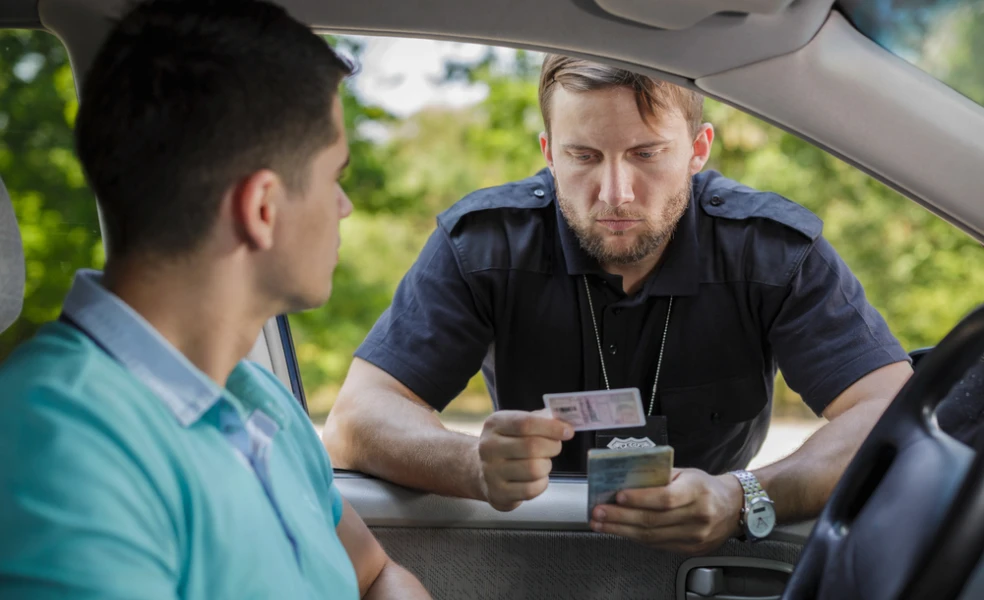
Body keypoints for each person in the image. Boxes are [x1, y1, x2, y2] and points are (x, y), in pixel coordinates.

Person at [323, 54, 914, 555]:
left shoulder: (768, 250)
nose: (615, 193)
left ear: (698, 149)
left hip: (707, 559)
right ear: (549, 153)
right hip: (534, 551)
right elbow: (357, 418)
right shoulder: (484, 243)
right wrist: (472, 465)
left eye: (646, 154)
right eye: (583, 157)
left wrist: (745, 494)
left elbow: (889, 408)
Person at [0, 1, 429, 598]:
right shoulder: (59, 440)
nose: (344, 206)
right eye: (335, 176)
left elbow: (376, 574)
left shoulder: (260, 398)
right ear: (262, 209)